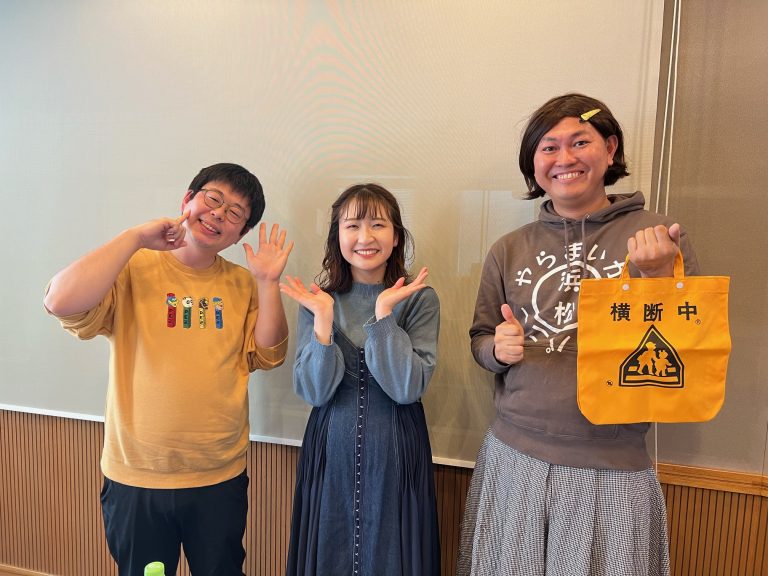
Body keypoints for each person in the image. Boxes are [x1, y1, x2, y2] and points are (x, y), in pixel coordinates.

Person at [457, 94, 699, 576]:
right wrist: (496, 350)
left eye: (580, 143)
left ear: (610, 149)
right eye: (548, 147)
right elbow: (480, 337)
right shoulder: (508, 248)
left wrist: (658, 277)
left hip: (612, 463)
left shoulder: (657, 237)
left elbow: (687, 352)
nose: (564, 158)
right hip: (514, 454)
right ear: (533, 164)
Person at [44, 163, 293, 576]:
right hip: (137, 475)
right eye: (213, 199)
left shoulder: (242, 284)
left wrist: (267, 283)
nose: (219, 213)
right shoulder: (133, 267)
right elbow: (59, 302)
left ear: (241, 234)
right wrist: (134, 238)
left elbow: (269, 355)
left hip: (218, 475)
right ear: (187, 200)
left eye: (235, 212)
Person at [281, 183, 441, 576]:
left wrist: (384, 316)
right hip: (329, 448)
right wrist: (322, 323)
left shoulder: (419, 298)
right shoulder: (318, 301)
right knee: (330, 548)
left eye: (378, 225)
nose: (365, 237)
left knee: (392, 554)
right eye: (352, 226)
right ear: (338, 236)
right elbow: (314, 391)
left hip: (396, 449)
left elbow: (407, 388)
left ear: (396, 236)